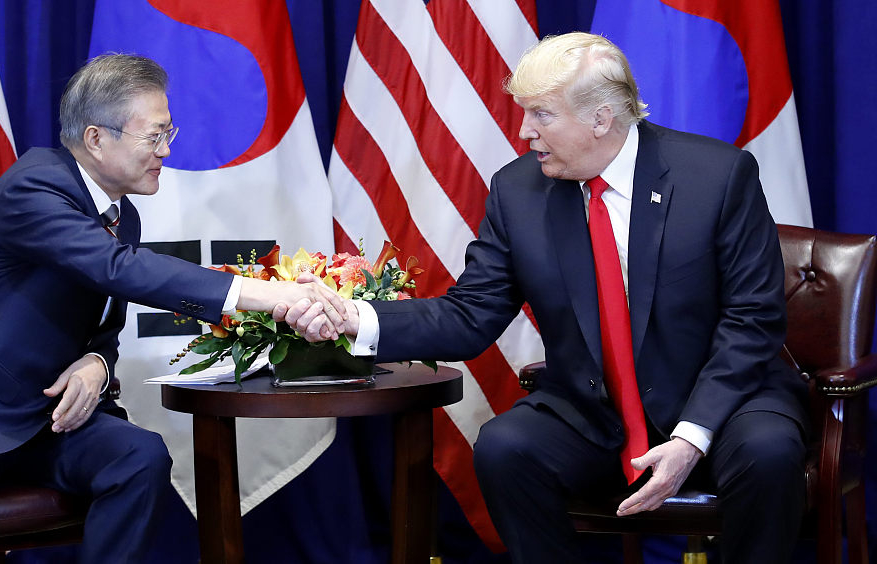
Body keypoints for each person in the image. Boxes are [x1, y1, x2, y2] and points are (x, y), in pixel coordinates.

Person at [279, 33, 808, 563]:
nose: (524, 131)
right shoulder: (518, 191)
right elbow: (470, 314)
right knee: (506, 449)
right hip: (594, 412)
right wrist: (354, 318)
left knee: (769, 452)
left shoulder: (717, 177)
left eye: (542, 115)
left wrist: (692, 435)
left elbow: (753, 318)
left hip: (722, 402)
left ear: (601, 118)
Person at [0, 54, 345, 563]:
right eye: (155, 136)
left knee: (139, 457)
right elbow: (116, 269)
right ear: (97, 138)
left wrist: (98, 364)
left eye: (169, 133)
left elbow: (103, 323)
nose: (166, 151)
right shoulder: (33, 187)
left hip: (43, 419)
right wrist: (266, 295)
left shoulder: (122, 216)